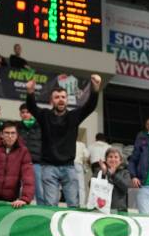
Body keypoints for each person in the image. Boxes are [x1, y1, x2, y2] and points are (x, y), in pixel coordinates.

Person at [24, 75, 102, 207]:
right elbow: (32, 107)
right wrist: (30, 92)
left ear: (67, 100)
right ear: (51, 101)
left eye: (63, 97)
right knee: (50, 205)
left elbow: (90, 106)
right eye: (57, 97)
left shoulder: (74, 116)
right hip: (48, 167)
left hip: (69, 166)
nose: (60, 99)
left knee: (73, 205)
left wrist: (95, 89)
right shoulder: (44, 115)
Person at [0, 121, 34, 208]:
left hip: (11, 202)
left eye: (13, 133)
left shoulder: (23, 151)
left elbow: (28, 177)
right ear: (1, 134)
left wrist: (25, 199)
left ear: (17, 135)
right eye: (7, 133)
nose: (10, 136)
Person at [14, 103, 45, 204]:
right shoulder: (16, 127)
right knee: (17, 189)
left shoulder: (41, 126)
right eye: (23, 112)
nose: (25, 114)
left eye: (27, 112)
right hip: (19, 163)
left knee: (39, 190)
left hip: (36, 162)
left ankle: (42, 210)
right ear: (20, 114)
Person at [95, 147, 132, 212]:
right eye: (110, 157)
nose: (113, 159)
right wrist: (103, 174)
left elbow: (127, 188)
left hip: (119, 210)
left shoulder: (125, 172)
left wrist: (113, 175)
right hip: (101, 208)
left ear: (120, 160)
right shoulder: (99, 170)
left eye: (116, 157)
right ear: (106, 159)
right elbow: (91, 185)